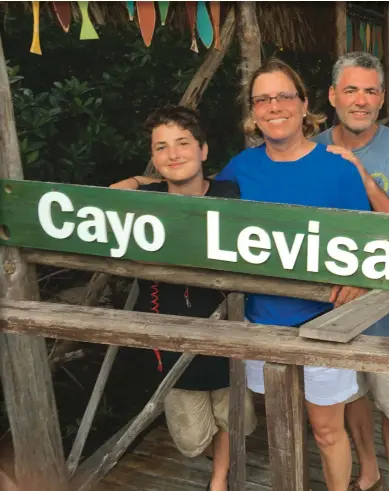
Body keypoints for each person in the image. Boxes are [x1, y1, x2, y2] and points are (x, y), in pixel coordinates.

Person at [111, 58, 372, 491]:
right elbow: (198, 185)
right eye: (263, 99)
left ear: (305, 105)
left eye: (284, 96)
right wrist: (140, 182)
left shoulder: (338, 166)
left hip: (325, 321)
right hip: (259, 320)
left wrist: (360, 278)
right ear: (253, 112)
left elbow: (369, 239)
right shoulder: (241, 168)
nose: (274, 106)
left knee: (327, 431)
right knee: (278, 428)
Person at [129, 105, 257, 491]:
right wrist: (134, 182)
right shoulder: (142, 200)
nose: (174, 154)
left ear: (203, 150)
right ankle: (212, 462)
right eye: (162, 147)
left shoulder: (230, 194)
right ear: (153, 158)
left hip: (227, 334)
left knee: (232, 418)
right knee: (190, 438)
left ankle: (219, 479)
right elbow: (99, 201)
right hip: (168, 340)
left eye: (183, 143)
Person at [313, 51, 389, 491]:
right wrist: (146, 183)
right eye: (351, 89)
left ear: (381, 98)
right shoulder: (311, 148)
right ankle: (367, 468)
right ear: (333, 95)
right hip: (333, 304)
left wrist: (363, 179)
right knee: (350, 395)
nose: (361, 100)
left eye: (370, 90)